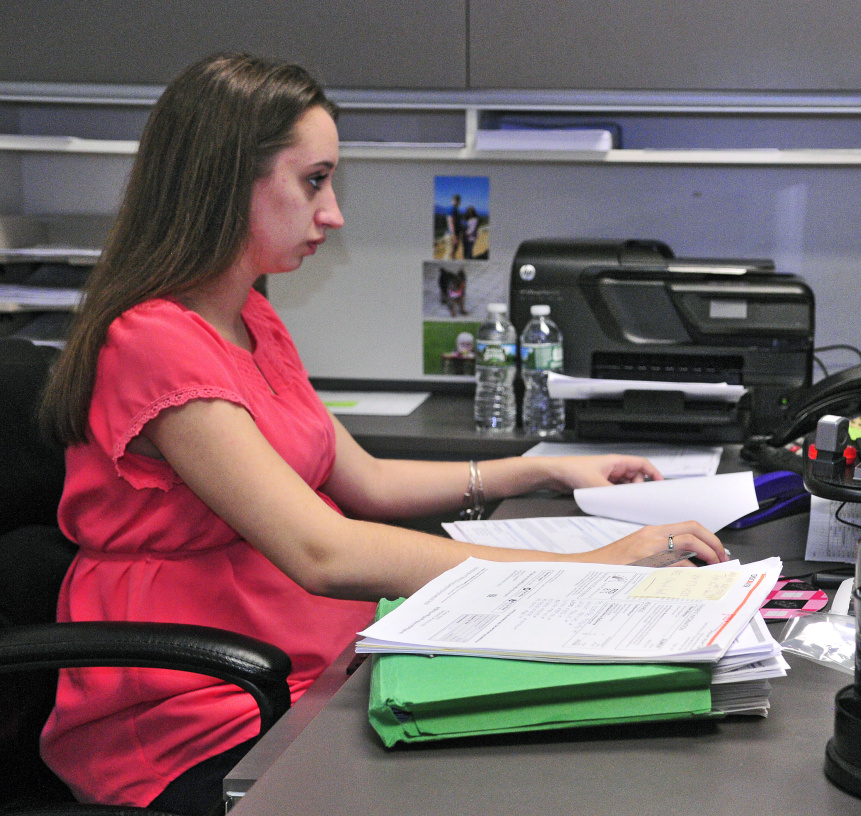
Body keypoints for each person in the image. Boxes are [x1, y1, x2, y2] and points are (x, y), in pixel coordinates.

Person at [37, 53, 726, 815]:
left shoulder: (250, 319)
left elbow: (361, 480)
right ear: (229, 180)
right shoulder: (154, 341)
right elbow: (324, 552)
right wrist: (586, 570)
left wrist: (547, 472)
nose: (331, 213)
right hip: (198, 714)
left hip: (301, 668)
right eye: (314, 180)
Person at [446, 193, 464, 259]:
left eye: (458, 200)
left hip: (455, 234)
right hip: (452, 235)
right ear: (452, 201)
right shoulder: (452, 209)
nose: (458, 202)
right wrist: (454, 236)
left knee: (453, 253)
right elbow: (451, 223)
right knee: (450, 254)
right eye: (456, 200)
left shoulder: (456, 209)